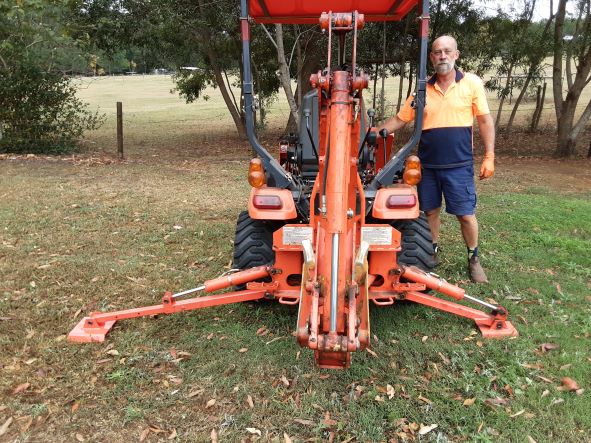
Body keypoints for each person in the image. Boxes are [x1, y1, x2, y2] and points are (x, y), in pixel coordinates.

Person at [378, 35, 495, 283]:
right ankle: (430, 253)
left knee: (465, 214)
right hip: (428, 166)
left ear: (456, 54)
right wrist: (374, 133)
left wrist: (489, 156)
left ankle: (474, 259)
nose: (442, 56)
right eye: (438, 52)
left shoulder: (471, 83)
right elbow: (400, 119)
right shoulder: (422, 90)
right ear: (431, 57)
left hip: (459, 166)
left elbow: (485, 121)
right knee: (429, 212)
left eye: (447, 51)